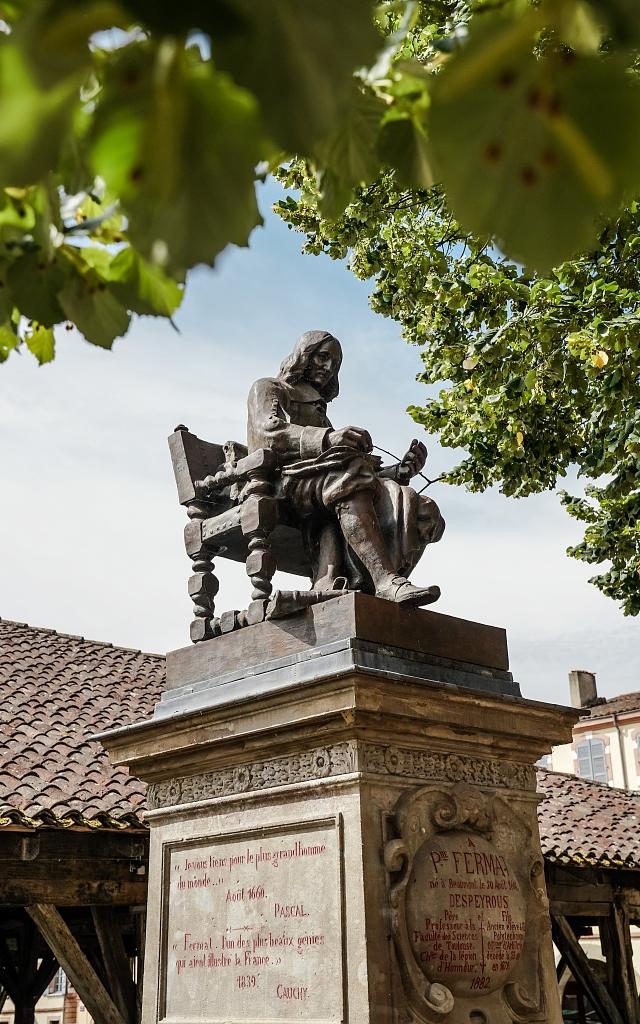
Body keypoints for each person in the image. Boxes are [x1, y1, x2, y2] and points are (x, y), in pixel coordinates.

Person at [247, 330, 445, 606]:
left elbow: (341, 467)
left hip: (324, 481)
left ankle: (386, 587)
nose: (328, 368)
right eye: (323, 357)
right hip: (283, 483)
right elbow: (268, 432)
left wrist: (398, 472)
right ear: (303, 355)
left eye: (335, 364)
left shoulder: (318, 410)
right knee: (350, 473)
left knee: (419, 505)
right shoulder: (269, 388)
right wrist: (329, 438)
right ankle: (385, 580)